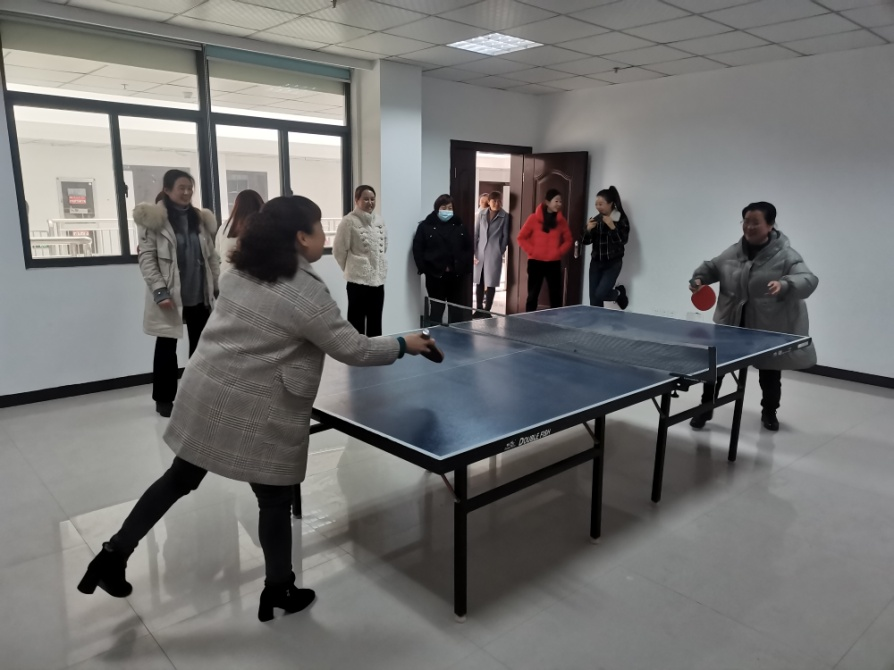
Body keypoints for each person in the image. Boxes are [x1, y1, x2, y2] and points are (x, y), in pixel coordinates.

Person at [77, 195, 439, 623]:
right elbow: (353, 348)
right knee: (274, 497)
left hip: (207, 390)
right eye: (319, 228)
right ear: (301, 237)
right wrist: (403, 343)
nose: (324, 236)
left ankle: (112, 555)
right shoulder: (305, 291)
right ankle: (279, 588)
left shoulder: (242, 270)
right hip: (255, 404)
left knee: (179, 478)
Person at [689, 201, 817, 431]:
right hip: (731, 324)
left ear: (770, 225)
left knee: (769, 374)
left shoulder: (787, 256)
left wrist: (785, 284)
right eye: (745, 221)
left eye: (755, 222)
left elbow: (807, 279)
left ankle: (769, 412)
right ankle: (705, 409)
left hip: (765, 327)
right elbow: (712, 267)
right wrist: (699, 279)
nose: (749, 227)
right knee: (714, 371)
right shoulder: (733, 252)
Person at [135, 169, 220, 418]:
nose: (186, 192)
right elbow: (147, 258)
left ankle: (197, 396)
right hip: (170, 294)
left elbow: (211, 256)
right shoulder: (153, 219)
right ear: (167, 189)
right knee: (166, 347)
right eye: (181, 188)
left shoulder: (199, 219)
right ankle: (164, 399)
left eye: (190, 188)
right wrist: (160, 291)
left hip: (199, 292)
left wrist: (216, 285)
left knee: (201, 348)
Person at [333, 185, 387, 336]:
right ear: (357, 200)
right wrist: (352, 268)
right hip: (357, 283)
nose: (370, 202)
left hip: (377, 281)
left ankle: (375, 349)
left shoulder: (379, 221)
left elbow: (384, 246)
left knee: (376, 322)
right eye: (366, 199)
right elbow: (339, 250)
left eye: (372, 199)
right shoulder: (348, 221)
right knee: (356, 323)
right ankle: (356, 350)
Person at [413, 194, 473, 324]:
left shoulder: (460, 225)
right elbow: (417, 248)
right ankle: (434, 334)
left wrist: (465, 267)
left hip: (456, 276)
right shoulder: (425, 226)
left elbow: (468, 248)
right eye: (443, 207)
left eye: (450, 208)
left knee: (456, 311)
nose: (447, 211)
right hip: (435, 276)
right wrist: (424, 268)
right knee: (436, 310)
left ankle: (456, 335)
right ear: (437, 208)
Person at [517, 189, 573, 312]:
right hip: (535, 262)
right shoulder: (533, 218)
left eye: (560, 201)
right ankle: (528, 319)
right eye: (556, 201)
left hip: (554, 263)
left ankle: (556, 321)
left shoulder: (561, 221)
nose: (559, 204)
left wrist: (558, 252)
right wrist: (532, 251)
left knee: (555, 296)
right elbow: (521, 238)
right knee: (532, 295)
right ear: (547, 202)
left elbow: (569, 240)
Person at [583, 185, 630, 309]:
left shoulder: (621, 219)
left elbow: (623, 241)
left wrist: (612, 227)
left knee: (600, 294)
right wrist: (588, 230)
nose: (598, 207)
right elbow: (586, 241)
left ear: (611, 204)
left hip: (613, 263)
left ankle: (618, 293)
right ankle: (597, 323)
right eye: (596, 204)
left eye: (601, 204)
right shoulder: (596, 220)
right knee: (594, 301)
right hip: (596, 263)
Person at [473, 191, 510, 315]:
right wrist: (474, 251)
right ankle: (478, 309)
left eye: (499, 201)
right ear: (489, 202)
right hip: (480, 252)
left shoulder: (505, 216)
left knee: (491, 282)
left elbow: (505, 236)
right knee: (479, 281)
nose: (497, 203)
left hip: (494, 252)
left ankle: (487, 310)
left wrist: (500, 250)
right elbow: (476, 233)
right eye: (494, 201)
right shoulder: (482, 214)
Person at [216, 189, 264, 274]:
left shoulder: (224, 227)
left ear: (236, 206)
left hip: (225, 275)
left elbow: (217, 253)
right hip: (252, 277)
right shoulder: (262, 228)